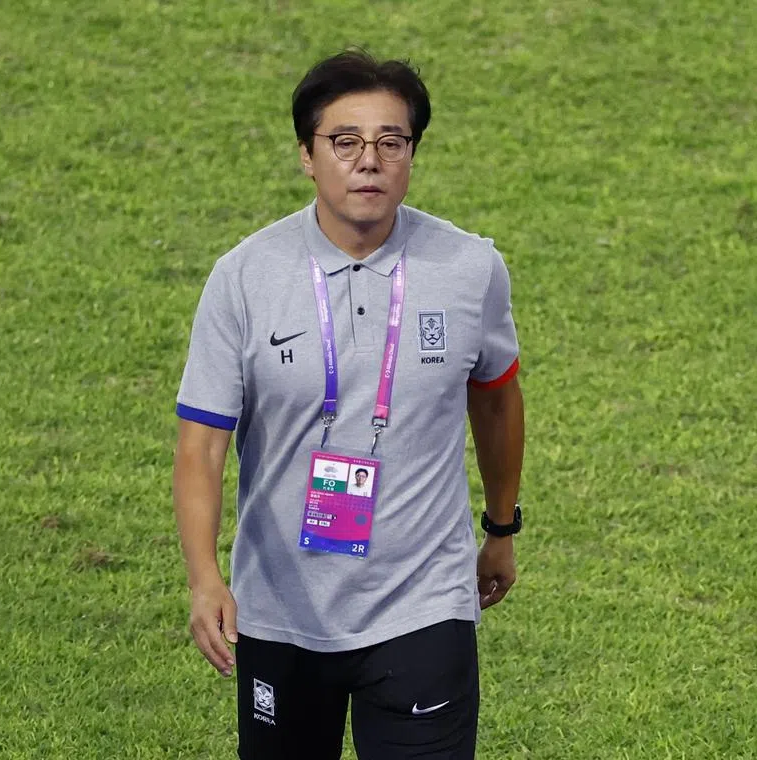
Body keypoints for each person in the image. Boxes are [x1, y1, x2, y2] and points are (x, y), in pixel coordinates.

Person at [172, 49, 525, 760]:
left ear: (412, 155)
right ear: (307, 154)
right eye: (345, 142)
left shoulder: (469, 268)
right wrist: (205, 577)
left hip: (424, 603)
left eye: (391, 142)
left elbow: (496, 400)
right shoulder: (243, 278)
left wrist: (501, 527)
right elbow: (202, 443)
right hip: (281, 609)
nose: (369, 161)